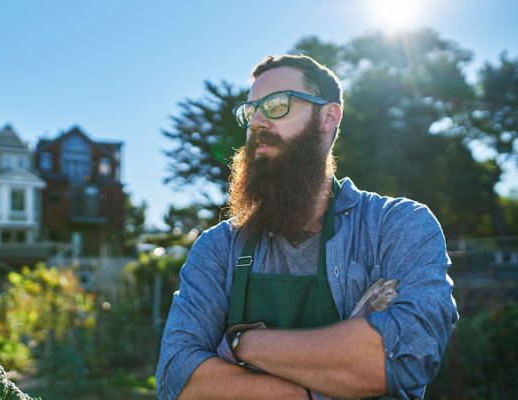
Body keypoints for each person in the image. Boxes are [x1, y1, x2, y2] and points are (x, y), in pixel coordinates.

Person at [155, 54, 458, 400]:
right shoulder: (218, 247)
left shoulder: (396, 226)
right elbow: (178, 380)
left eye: (277, 105)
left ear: (328, 116)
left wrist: (242, 343)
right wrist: (318, 392)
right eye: (251, 110)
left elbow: (403, 359)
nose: (256, 123)